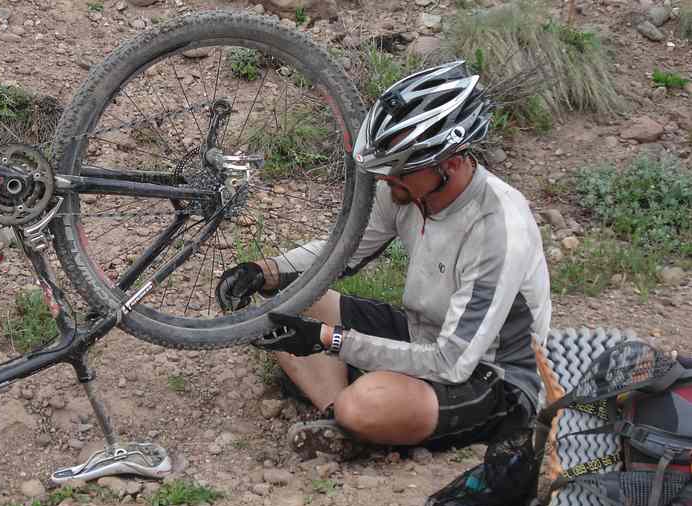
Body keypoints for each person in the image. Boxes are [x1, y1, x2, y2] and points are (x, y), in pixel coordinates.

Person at [215, 61, 552, 459]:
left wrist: (329, 340)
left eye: (399, 172)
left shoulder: (499, 227)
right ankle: (340, 417)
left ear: (451, 162)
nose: (387, 181)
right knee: (291, 298)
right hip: (422, 334)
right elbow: (342, 252)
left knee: (366, 402)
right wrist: (264, 272)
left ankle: (357, 412)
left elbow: (451, 362)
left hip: (490, 377)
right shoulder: (409, 189)